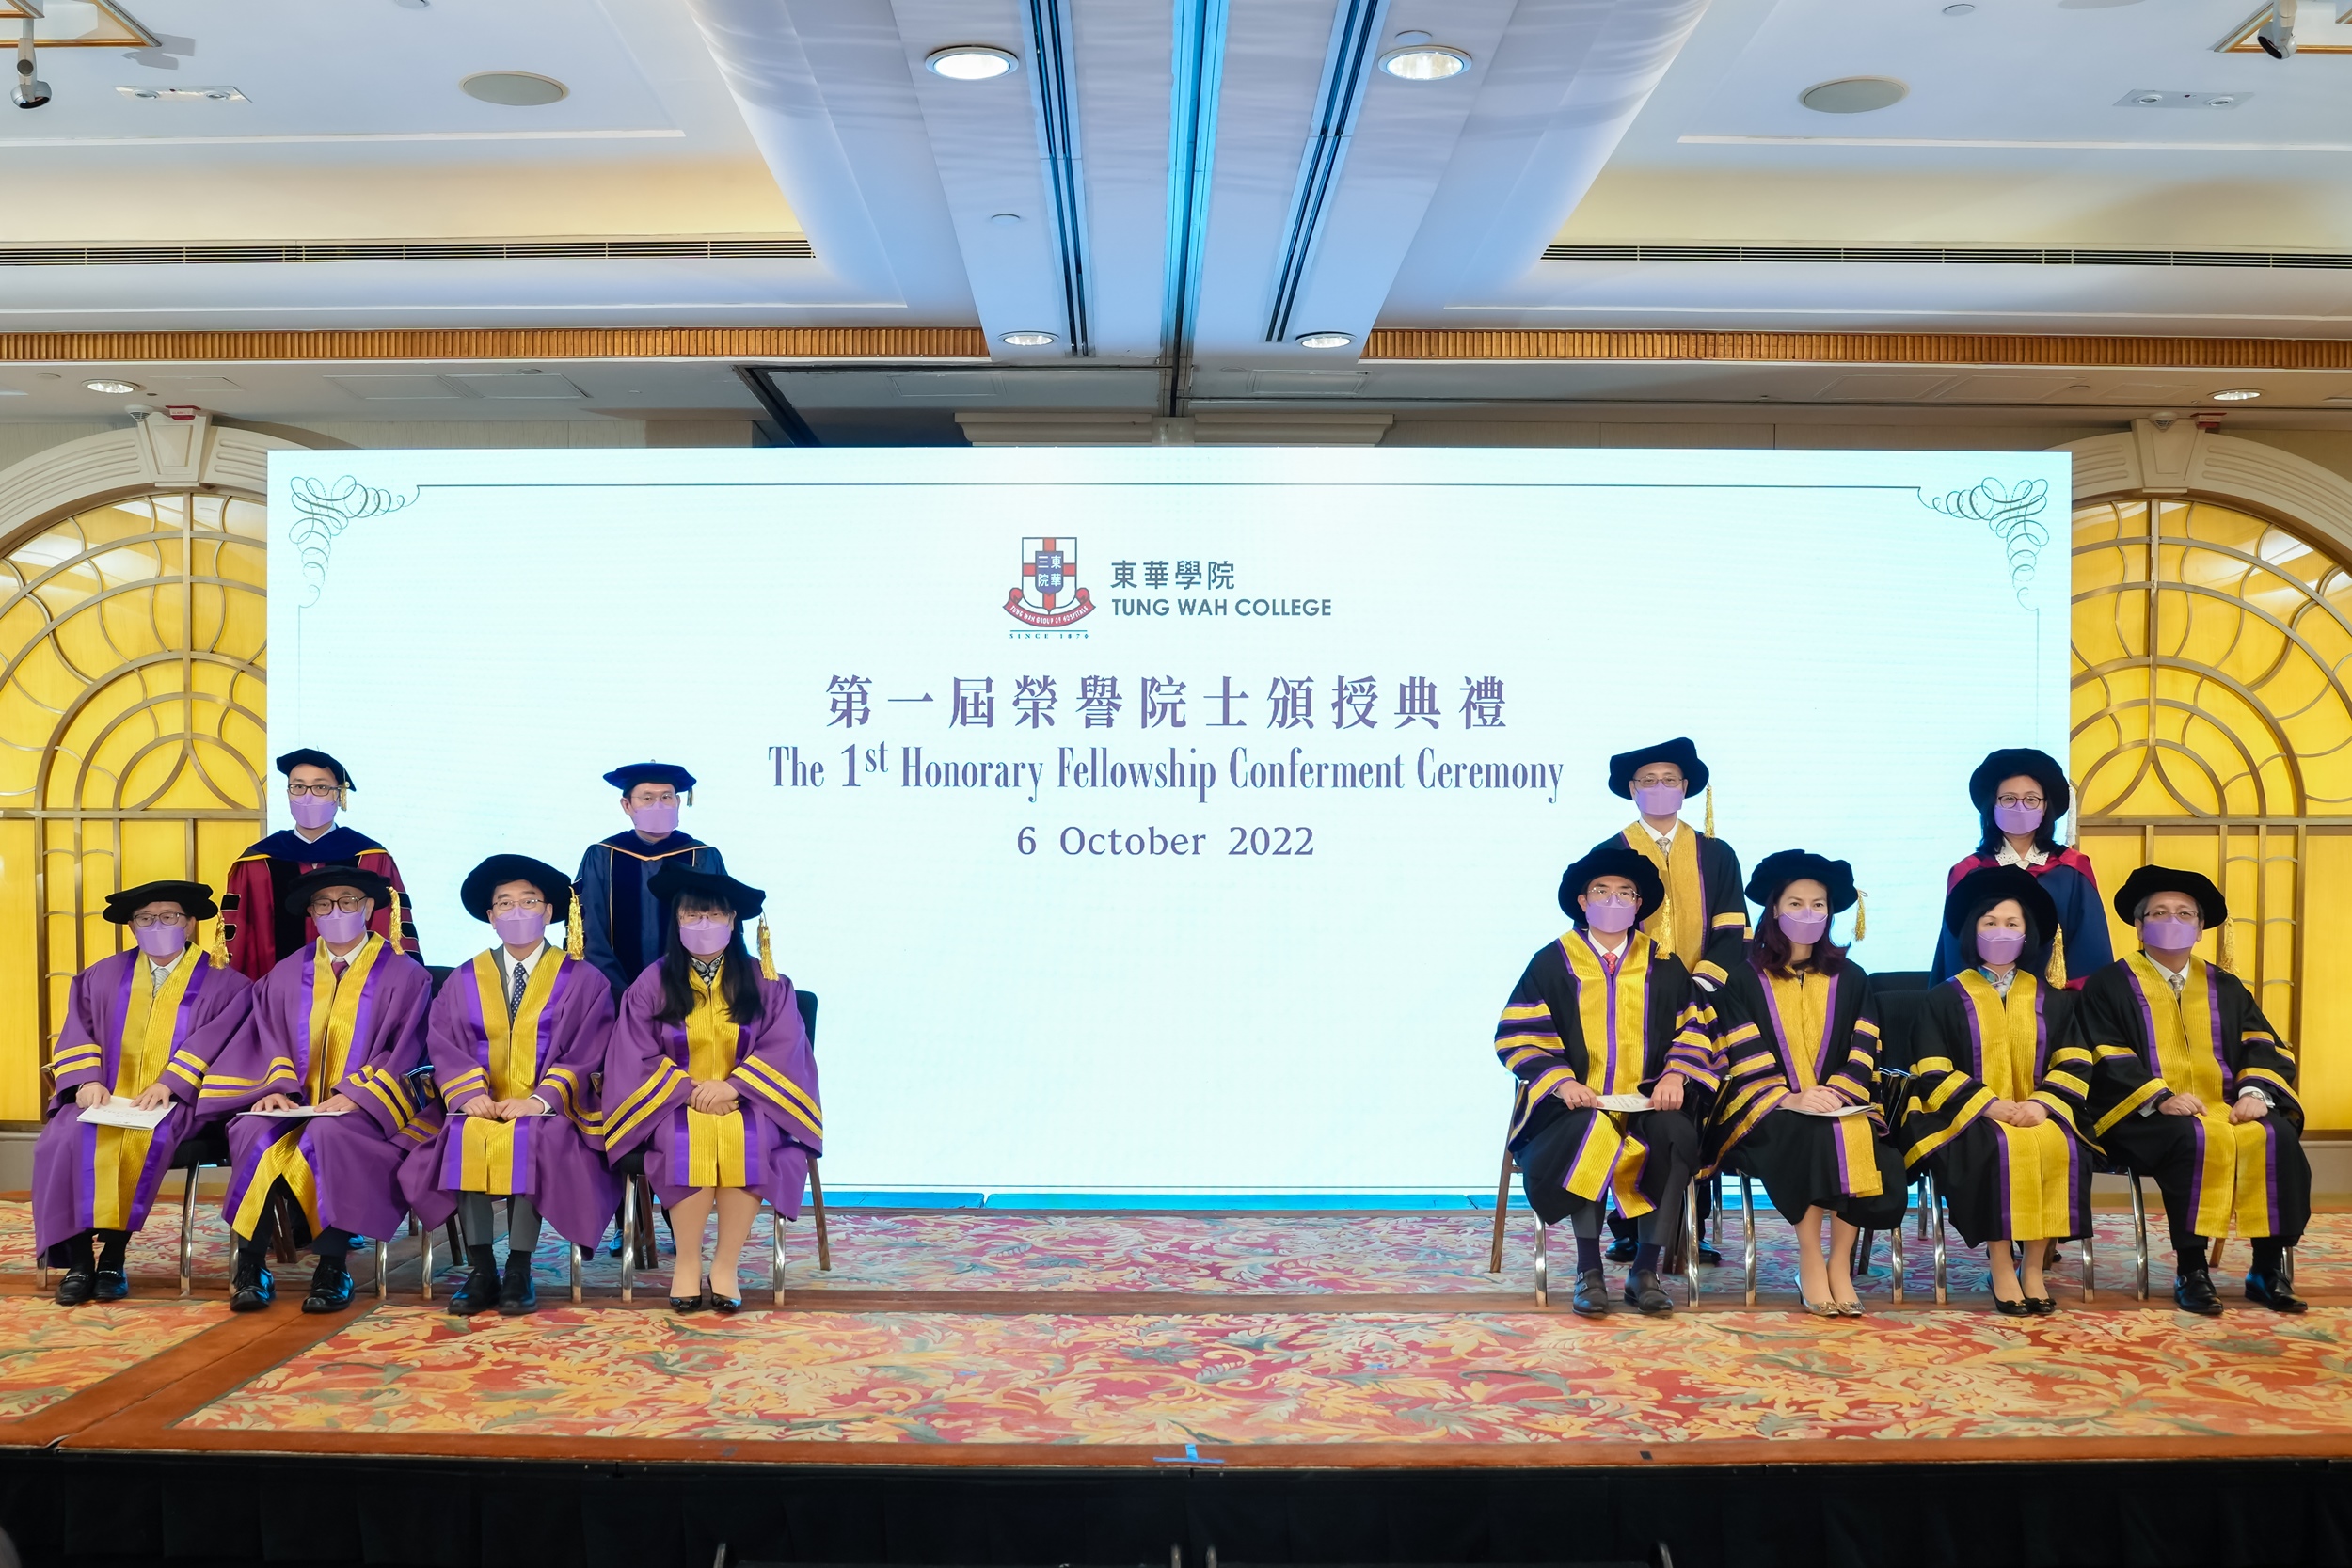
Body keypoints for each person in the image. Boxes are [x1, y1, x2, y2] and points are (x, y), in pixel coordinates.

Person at [1492, 845, 1718, 1318]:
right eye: (1601, 891)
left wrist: (1676, 1073)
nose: (1613, 901)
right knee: (1590, 1131)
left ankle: (1645, 1271)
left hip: (1646, 1102)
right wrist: (1559, 1080)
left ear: (1639, 906)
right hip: (1572, 1107)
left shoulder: (1664, 964)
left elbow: (1696, 1029)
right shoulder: (1553, 961)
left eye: (1625, 893)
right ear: (1582, 900)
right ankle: (1589, 1270)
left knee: (1676, 1136)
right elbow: (1517, 1033)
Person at [2075, 866, 2309, 1316]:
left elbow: (2261, 1044)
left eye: (2186, 913)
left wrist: (2254, 1094)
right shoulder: (2108, 985)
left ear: (2201, 928)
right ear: (2139, 925)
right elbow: (2102, 1052)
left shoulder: (2225, 985)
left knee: (2275, 1135)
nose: (2173, 920)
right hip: (2140, 1115)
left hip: (2225, 1106)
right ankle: (2191, 1269)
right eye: (2159, 912)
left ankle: (2267, 1268)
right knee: (2192, 1138)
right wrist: (2160, 1096)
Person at [200, 866, 433, 1314]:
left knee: (328, 1137)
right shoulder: (285, 975)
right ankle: (250, 1264)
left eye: (348, 901)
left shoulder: (406, 977)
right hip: (294, 1103)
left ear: (367, 909)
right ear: (311, 913)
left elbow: (409, 1049)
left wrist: (357, 1094)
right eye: (324, 904)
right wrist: (275, 1088)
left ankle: (332, 1265)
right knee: (254, 1132)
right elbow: (262, 1036)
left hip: (365, 1108)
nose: (336, 911)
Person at [398, 856, 620, 1317]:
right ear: (490, 916)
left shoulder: (585, 980)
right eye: (505, 903)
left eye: (529, 902)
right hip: (477, 1104)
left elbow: (589, 1050)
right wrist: (467, 1095)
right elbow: (442, 1043)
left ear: (549, 911)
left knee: (529, 1136)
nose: (517, 911)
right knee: (463, 1134)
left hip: (553, 1110)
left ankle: (519, 1267)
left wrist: (539, 1099)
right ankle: (481, 1270)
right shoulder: (463, 978)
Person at [601, 867, 819, 1313]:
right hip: (671, 1101)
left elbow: (785, 1047)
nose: (703, 925)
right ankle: (686, 1263)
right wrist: (687, 1089)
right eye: (692, 916)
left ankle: (725, 1266)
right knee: (688, 1136)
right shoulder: (652, 983)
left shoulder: (768, 982)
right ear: (676, 923)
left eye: (713, 915)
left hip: (750, 1101)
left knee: (745, 1136)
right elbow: (633, 1051)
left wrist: (734, 1088)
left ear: (733, 921)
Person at [1703, 851, 1907, 1316]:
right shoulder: (1741, 978)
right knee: (1809, 1135)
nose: (1807, 914)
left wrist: (1836, 1093)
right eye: (1795, 903)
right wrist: (1790, 1097)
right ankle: (1811, 1260)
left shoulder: (1851, 978)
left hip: (1842, 1103)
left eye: (1818, 905)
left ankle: (1840, 1265)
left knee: (1857, 1135)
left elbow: (1865, 1046)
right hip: (1766, 1110)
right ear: (1774, 909)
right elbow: (1739, 1049)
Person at [33, 882, 253, 1305]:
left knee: (134, 1139)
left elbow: (225, 1043)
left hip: (175, 1104)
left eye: (169, 916)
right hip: (104, 1097)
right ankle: (80, 1262)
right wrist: (86, 1081)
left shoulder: (228, 985)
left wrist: (170, 1083)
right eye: (145, 918)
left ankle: (114, 1258)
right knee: (61, 1139)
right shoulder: (100, 976)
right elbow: (78, 1033)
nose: (157, 925)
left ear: (189, 924)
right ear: (131, 927)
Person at [1901, 865, 2096, 1315]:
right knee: (1994, 1147)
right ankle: (2001, 1263)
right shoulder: (1943, 997)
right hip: (1967, 1114)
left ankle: (2033, 1266)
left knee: (2058, 1143)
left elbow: (2075, 1061)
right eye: (1990, 923)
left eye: (2012, 923)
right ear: (1972, 931)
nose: (2001, 932)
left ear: (2029, 935)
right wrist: (1989, 1105)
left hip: (2039, 1110)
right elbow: (1930, 1067)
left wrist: (2043, 1105)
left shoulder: (2055, 998)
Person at [220, 749, 419, 981]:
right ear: (288, 794)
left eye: (321, 787)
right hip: (278, 993)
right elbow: (239, 937)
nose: (308, 796)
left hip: (360, 991)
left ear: (338, 795)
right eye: (298, 787)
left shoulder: (371, 857)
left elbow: (391, 927)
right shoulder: (257, 862)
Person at [1930, 748, 2109, 986]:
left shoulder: (2072, 870)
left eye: (2031, 799)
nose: (2019, 807)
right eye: (2009, 798)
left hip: (2055, 1010)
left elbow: (2090, 948)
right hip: (1982, 1007)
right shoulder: (1969, 872)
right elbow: (1955, 953)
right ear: (1992, 805)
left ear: (2045, 807)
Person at [576, 762, 726, 1001]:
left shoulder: (703, 856)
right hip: (612, 996)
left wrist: (686, 987)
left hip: (689, 995)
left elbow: (718, 928)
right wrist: (618, 993)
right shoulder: (603, 855)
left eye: (666, 797)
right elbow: (590, 931)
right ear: (627, 805)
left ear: (678, 802)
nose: (658, 805)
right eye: (647, 798)